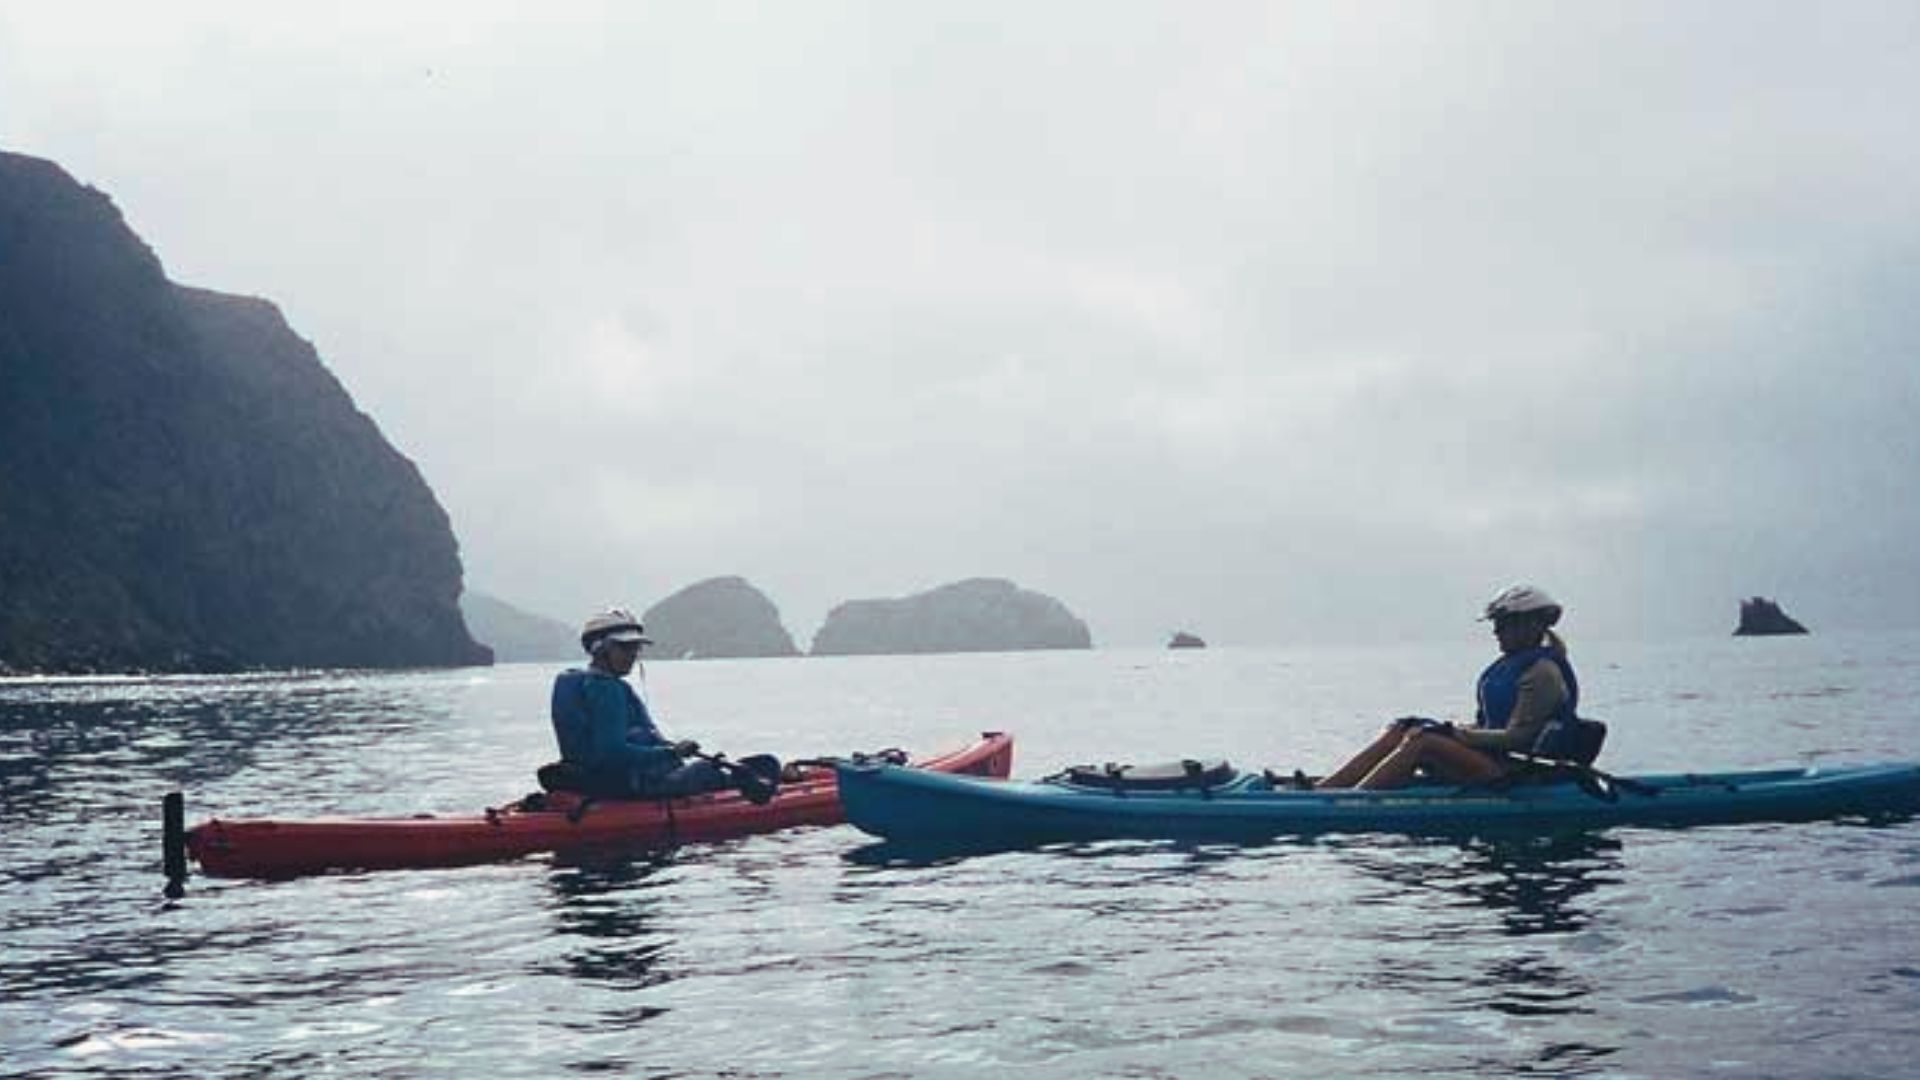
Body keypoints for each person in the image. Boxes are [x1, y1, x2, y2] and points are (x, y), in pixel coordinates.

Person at [1316, 584, 1579, 790]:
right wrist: (1454, 730)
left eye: (1503, 624)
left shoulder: (1543, 672)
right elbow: (1488, 727)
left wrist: (1454, 735)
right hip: (1496, 760)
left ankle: (1355, 800)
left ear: (1530, 625)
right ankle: (1326, 790)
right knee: (1404, 729)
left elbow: (1518, 738)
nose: (1496, 631)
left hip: (1517, 772)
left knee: (1424, 741)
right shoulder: (1511, 665)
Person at [549, 608, 731, 798]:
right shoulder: (606, 689)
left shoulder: (588, 685)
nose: (633, 654)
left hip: (601, 783)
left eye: (636, 647)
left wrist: (668, 750)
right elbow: (613, 753)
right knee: (709, 770)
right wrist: (673, 753)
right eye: (625, 647)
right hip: (630, 785)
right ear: (599, 649)